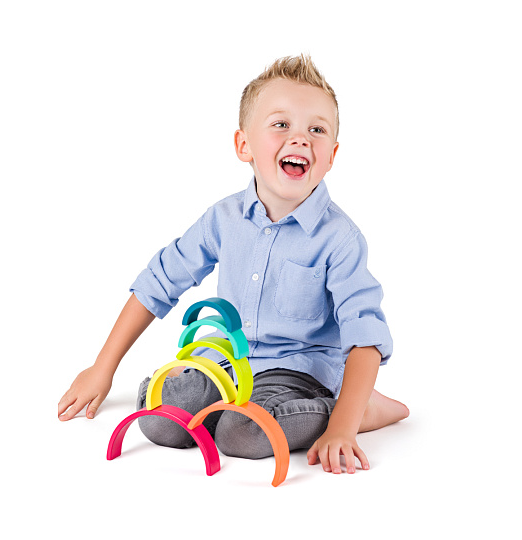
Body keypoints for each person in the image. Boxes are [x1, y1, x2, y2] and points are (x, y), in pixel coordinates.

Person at [58, 54, 409, 475]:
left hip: (296, 370)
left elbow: (365, 334)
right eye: (281, 124)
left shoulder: (340, 238)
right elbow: (159, 282)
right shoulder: (223, 219)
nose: (300, 139)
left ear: (331, 155)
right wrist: (103, 368)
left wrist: (343, 428)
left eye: (316, 130)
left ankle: (358, 408)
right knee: (161, 420)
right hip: (227, 361)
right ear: (244, 145)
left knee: (241, 434)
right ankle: (224, 406)